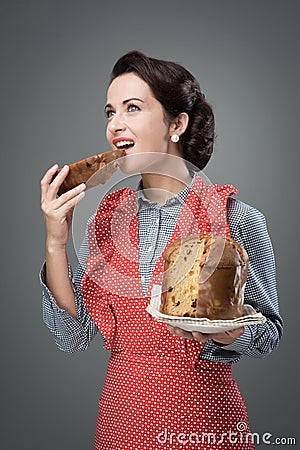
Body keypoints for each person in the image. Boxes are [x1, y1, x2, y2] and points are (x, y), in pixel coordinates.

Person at [40, 50, 283, 449]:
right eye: (109, 112)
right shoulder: (106, 220)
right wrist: (55, 240)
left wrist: (219, 329)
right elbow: (73, 336)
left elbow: (269, 336)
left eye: (132, 108)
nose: (115, 125)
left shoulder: (234, 217)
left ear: (177, 124)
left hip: (205, 424)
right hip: (119, 423)